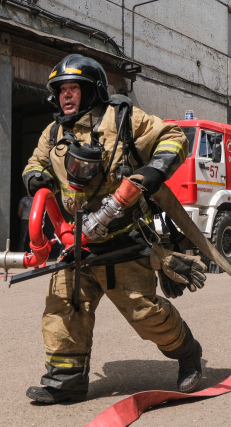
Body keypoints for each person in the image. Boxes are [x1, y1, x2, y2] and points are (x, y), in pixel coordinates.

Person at [21, 54, 205, 404]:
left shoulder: (122, 119)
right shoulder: (54, 131)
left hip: (122, 241)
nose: (67, 96)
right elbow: (35, 162)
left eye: (74, 89)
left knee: (145, 314)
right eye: (61, 90)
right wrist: (35, 177)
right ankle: (66, 382)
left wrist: (155, 172)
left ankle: (188, 354)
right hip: (73, 244)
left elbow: (174, 136)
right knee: (64, 308)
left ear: (93, 90)